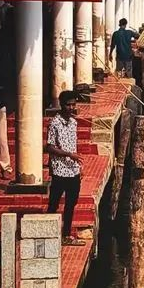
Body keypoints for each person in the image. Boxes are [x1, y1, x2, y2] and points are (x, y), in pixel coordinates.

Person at [46, 91, 85, 246]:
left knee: (71, 203)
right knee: (54, 203)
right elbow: (49, 147)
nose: (71, 107)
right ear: (62, 105)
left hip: (73, 169)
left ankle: (66, 234)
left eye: (73, 104)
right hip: (59, 169)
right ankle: (48, 234)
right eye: (68, 105)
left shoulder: (74, 122)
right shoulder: (55, 123)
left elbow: (74, 145)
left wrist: (78, 165)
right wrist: (69, 154)